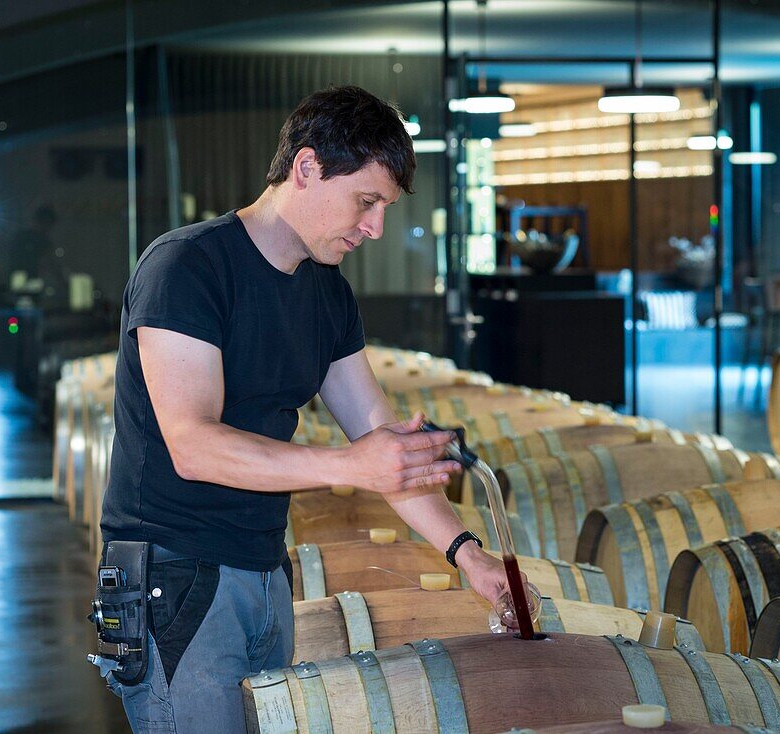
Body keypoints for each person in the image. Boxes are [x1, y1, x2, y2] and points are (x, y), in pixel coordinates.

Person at [95, 85, 517, 733]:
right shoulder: (188, 266)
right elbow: (193, 443)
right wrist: (351, 465)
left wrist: (468, 553)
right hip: (178, 579)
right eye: (367, 201)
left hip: (266, 573)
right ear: (307, 167)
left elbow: (380, 440)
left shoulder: (327, 295)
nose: (375, 227)